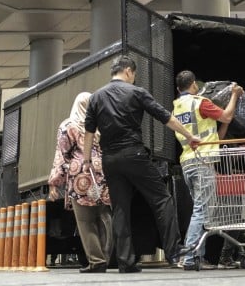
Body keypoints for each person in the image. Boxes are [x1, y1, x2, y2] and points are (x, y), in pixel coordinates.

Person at [82, 55, 201, 273]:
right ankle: (173, 251)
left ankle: (126, 261)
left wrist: (87, 160)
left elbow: (88, 132)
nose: (134, 78)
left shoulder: (96, 97)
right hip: (134, 154)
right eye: (134, 74)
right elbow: (166, 118)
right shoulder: (136, 92)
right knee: (162, 199)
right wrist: (190, 136)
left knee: (120, 209)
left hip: (110, 159)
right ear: (128, 71)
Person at [172, 70, 243, 270]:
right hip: (202, 162)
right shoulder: (200, 102)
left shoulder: (177, 106)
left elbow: (211, 132)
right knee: (201, 211)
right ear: (194, 84)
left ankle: (196, 256)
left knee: (199, 211)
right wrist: (235, 96)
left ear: (179, 88)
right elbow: (227, 117)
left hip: (187, 161)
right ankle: (190, 257)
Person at [48, 92, 113, 273]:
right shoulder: (101, 125)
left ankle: (97, 261)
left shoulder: (68, 126)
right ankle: (106, 257)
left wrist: (54, 182)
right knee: (104, 217)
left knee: (85, 221)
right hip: (103, 174)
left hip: (81, 175)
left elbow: (61, 155)